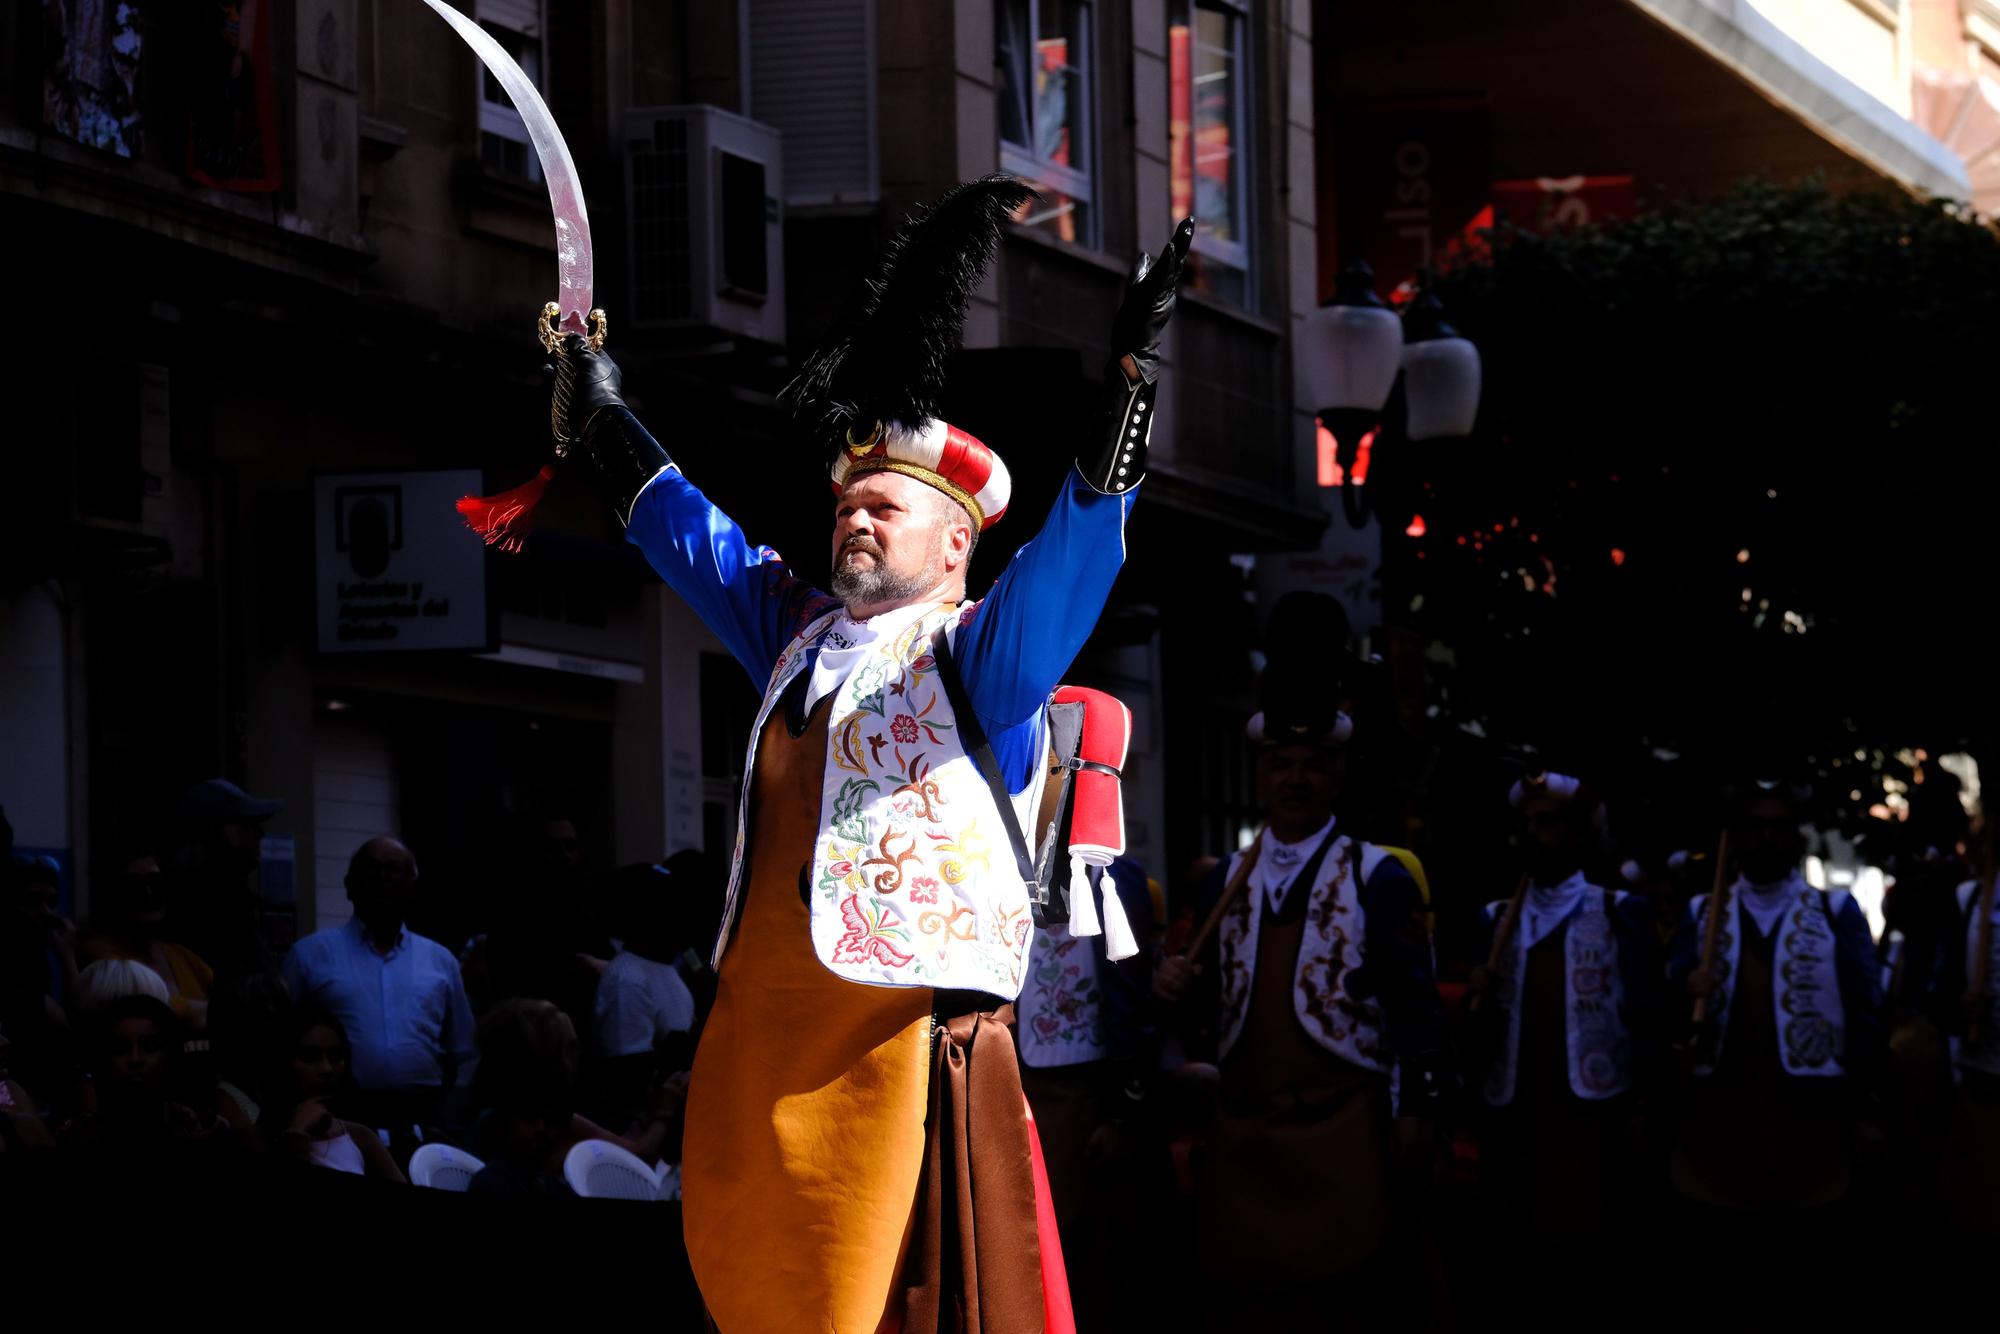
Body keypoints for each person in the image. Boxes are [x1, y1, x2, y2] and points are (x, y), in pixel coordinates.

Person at [551, 175, 1190, 1330]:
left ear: (956, 543)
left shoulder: (977, 657)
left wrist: (1125, 392)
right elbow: (698, 538)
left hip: (898, 1065)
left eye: (882, 506)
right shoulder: (795, 636)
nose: (851, 516)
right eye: (844, 501)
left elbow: (1071, 561)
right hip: (762, 1058)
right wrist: (604, 420)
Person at [1153, 705, 1451, 1329]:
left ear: (1337, 778)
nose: (1295, 779)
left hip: (1344, 1131)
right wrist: (1176, 985)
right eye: (1280, 765)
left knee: (1346, 1298)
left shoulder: (1380, 876)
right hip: (1246, 1134)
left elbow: (1416, 1012)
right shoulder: (1226, 879)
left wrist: (1418, 1111)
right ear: (1260, 777)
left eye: (1312, 766)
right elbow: (1211, 1009)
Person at [1664, 780, 1883, 1320]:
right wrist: (1682, 992)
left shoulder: (1835, 912)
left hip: (1809, 1125)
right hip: (1719, 1124)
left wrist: (1865, 1108)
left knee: (1802, 1275)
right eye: (1754, 827)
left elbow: (1865, 1014)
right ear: (1737, 838)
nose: (1765, 838)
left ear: (1795, 838)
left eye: (1777, 827)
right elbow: (1664, 1012)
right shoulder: (1701, 912)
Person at [1467, 772, 1658, 1303]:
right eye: (1526, 823)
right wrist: (1474, 997)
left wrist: (1641, 1106)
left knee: (1590, 1257)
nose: (1533, 833)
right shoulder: (1495, 919)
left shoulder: (1620, 911)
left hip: (1593, 1119)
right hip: (1516, 1118)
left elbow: (1646, 1017)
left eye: (1548, 822)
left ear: (1579, 834)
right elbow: (1474, 1032)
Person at [1013, 854, 1157, 1330]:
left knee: (1086, 1249)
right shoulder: (997, 851)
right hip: (1011, 1079)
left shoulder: (1112, 875)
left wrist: (1121, 1111)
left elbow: (1129, 997)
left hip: (1082, 1088)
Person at [281, 837, 475, 1135]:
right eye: (373, 869)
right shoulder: (309, 956)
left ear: (414, 887)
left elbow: (463, 1051)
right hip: (336, 1120)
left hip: (425, 1121)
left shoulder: (440, 961)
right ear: (349, 885)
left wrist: (451, 1115)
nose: (383, 878)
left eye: (394, 870)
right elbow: (282, 1041)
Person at [592, 861, 697, 1129]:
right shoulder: (627, 979)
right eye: (672, 907)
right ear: (645, 914)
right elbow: (628, 1077)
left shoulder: (667, 970)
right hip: (644, 1131)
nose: (685, 917)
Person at [262, 1003, 405, 1182]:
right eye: (309, 1057)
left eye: (335, 1057)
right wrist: (296, 1135)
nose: (327, 1069)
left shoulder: (359, 1137)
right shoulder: (256, 1137)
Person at [79, 845, 215, 1031]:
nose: (148, 894)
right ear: (112, 895)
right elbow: (150, 1008)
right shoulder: (99, 955)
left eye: (156, 883)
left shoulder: (182, 956)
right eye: (133, 887)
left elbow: (232, 1005)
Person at [164, 777, 283, 983]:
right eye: (246, 824)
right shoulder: (186, 910)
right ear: (215, 832)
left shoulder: (236, 905)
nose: (260, 834)